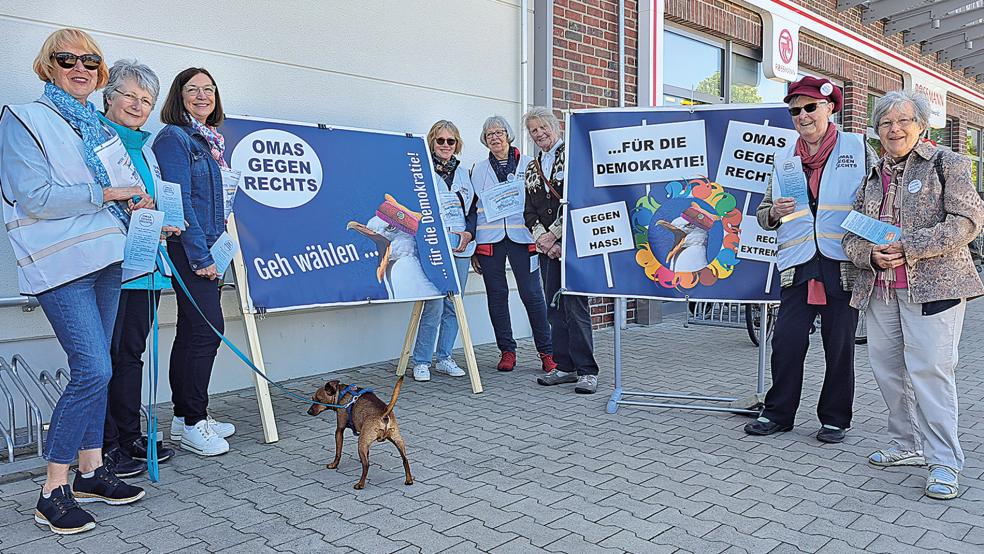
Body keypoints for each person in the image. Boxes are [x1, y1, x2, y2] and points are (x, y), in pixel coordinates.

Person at [0, 28, 151, 535]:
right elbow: (34, 196)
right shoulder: (25, 118)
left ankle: (89, 472)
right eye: (67, 59)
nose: (80, 67)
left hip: (107, 258)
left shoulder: (99, 127)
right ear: (49, 66)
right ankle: (51, 491)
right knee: (93, 369)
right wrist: (107, 192)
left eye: (90, 60)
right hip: (60, 265)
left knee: (100, 367)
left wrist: (137, 203)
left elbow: (118, 187)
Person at [844, 91, 984, 500]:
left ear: (922, 125)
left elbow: (969, 221)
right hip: (880, 290)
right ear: (877, 130)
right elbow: (850, 234)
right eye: (886, 122)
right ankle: (906, 444)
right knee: (889, 372)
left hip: (934, 289)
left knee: (930, 374)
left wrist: (910, 246)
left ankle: (943, 462)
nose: (894, 129)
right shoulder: (872, 176)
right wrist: (868, 254)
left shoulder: (947, 163)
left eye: (903, 120)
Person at [744, 76, 876, 443]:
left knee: (839, 346)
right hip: (798, 263)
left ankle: (835, 418)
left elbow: (879, 200)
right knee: (786, 343)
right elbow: (764, 213)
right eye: (794, 111)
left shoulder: (859, 148)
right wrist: (774, 214)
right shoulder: (784, 156)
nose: (801, 116)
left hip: (842, 262)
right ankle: (778, 413)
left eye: (809, 107)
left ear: (829, 107)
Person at [99, 59, 178, 478]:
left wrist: (162, 216)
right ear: (108, 95)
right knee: (106, 357)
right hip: (109, 264)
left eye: (146, 100)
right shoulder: (94, 138)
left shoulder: (145, 148)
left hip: (147, 264)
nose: (137, 105)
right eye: (130, 95)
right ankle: (105, 444)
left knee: (130, 354)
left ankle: (129, 435)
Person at [153, 67, 236, 456]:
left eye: (209, 89)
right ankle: (192, 422)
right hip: (191, 250)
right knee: (206, 331)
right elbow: (178, 201)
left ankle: (185, 414)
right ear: (178, 95)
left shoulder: (209, 140)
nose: (202, 95)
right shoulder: (175, 138)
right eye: (192, 90)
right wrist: (200, 255)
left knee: (193, 331)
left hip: (208, 246)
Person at [523, 107, 599, 394]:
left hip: (573, 243)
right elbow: (528, 210)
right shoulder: (532, 166)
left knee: (575, 307)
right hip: (547, 248)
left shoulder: (574, 154)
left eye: (543, 127)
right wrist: (543, 239)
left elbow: (579, 199)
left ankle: (587, 371)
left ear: (556, 127)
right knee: (553, 308)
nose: (539, 133)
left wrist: (554, 236)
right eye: (533, 130)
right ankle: (564, 367)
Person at [471, 115, 555, 373]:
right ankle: (507, 350)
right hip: (490, 242)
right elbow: (473, 210)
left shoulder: (531, 164)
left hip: (524, 239)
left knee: (532, 295)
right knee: (497, 297)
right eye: (489, 134)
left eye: (498, 132)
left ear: (508, 135)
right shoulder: (477, 169)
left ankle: (547, 352)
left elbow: (541, 202)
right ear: (485, 140)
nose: (494, 137)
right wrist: (474, 244)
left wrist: (546, 235)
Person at [410, 121, 477, 382]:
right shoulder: (423, 170)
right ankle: (422, 360)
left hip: (461, 247)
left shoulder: (464, 173)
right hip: (434, 247)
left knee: (453, 304)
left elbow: (473, 210)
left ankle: (445, 357)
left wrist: (469, 233)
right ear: (432, 142)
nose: (446, 146)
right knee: (434, 304)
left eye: (451, 141)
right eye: (441, 141)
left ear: (457, 143)